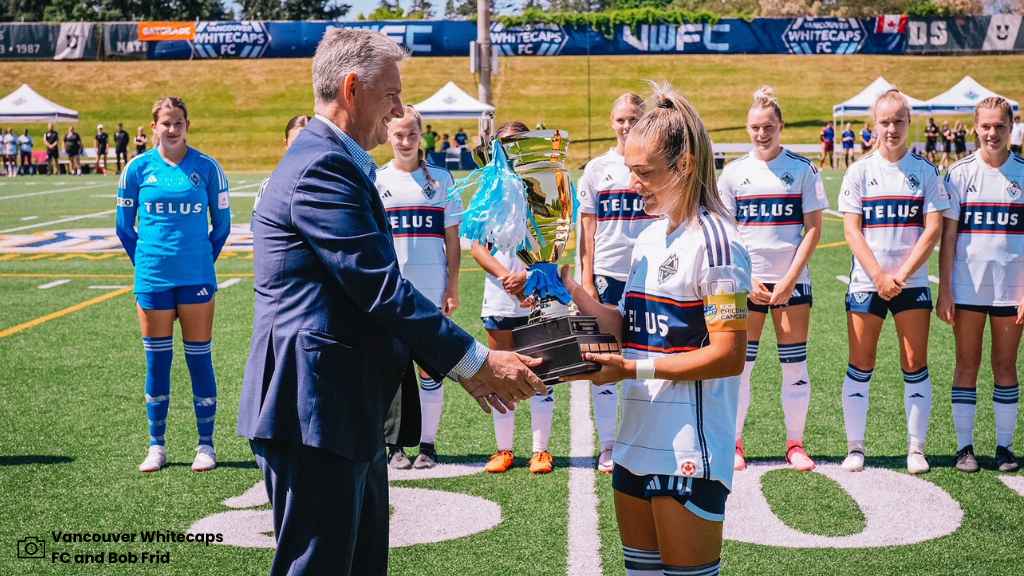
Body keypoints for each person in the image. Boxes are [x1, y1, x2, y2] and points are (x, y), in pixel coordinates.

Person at [236, 29, 545, 576]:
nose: (400, 110)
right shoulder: (321, 167)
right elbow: (380, 289)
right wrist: (475, 362)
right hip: (314, 410)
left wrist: (462, 366)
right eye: (392, 95)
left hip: (342, 407)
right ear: (352, 88)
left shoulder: (335, 160)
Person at [563, 83, 750, 576]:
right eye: (629, 171)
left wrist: (631, 368)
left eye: (644, 173)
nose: (633, 184)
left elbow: (729, 355)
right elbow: (624, 327)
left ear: (684, 165)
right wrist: (566, 288)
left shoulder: (717, 243)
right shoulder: (648, 236)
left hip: (687, 450)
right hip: (633, 443)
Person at [115, 96, 232, 474]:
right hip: (153, 279)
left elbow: (223, 226)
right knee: (157, 361)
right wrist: (148, 262)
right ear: (154, 126)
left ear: (187, 125)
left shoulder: (208, 167)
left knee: (200, 359)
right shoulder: (137, 169)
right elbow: (123, 226)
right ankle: (156, 445)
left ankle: (206, 445)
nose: (172, 128)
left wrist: (199, 260)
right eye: (165, 122)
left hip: (196, 279)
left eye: (178, 122)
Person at [838, 89, 947, 475]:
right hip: (867, 284)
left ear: (909, 122)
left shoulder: (925, 171)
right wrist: (879, 276)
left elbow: (932, 229)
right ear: (873, 125)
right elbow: (852, 231)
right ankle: (855, 447)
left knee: (915, 363)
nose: (891, 128)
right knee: (860, 363)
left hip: (911, 283)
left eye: (898, 120)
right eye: (884, 121)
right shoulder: (859, 171)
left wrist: (899, 276)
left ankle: (916, 449)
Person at [718, 86, 827, 473]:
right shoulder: (732, 173)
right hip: (744, 286)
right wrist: (748, 280)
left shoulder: (801, 169)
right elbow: (726, 235)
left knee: (794, 367)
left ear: (781, 126)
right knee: (739, 368)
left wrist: (788, 280)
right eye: (754, 127)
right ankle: (734, 443)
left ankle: (795, 444)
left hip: (791, 285)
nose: (761, 134)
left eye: (768, 127)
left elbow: (813, 230)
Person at [937, 96, 1022, 474]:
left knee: (1005, 365)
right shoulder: (959, 173)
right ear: (975, 127)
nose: (992, 133)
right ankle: (964, 447)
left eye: (999, 126)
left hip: (1011, 289)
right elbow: (948, 238)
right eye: (986, 126)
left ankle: (1005, 447)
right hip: (968, 287)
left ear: (1011, 128)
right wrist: (946, 289)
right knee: (966, 364)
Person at [376, 105, 463, 470]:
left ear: (421, 135)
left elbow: (453, 240)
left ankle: (428, 444)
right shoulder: (377, 180)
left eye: (412, 134)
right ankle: (393, 445)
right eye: (399, 135)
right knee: (392, 369)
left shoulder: (441, 179)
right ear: (388, 134)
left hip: (430, 290)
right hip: (393, 292)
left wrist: (452, 286)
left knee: (430, 370)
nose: (406, 141)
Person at [470, 120, 558, 475]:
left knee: (540, 376)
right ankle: (504, 449)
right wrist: (505, 275)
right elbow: (476, 245)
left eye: (517, 143)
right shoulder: (487, 192)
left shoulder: (543, 188)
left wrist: (530, 276)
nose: (510, 150)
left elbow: (555, 244)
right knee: (501, 375)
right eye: (504, 145)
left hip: (533, 296)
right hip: (499, 297)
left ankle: (541, 450)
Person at [576, 92, 654, 474]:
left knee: (644, 362)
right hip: (608, 274)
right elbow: (586, 229)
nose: (626, 125)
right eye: (621, 119)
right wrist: (587, 280)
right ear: (612, 121)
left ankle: (643, 440)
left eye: (634, 118)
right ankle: (608, 444)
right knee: (603, 364)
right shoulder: (596, 169)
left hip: (650, 275)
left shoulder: (654, 163)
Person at [253, 115, 311, 223]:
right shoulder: (269, 186)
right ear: (286, 144)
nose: (303, 148)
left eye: (309, 143)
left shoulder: (334, 183)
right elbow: (257, 228)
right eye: (296, 143)